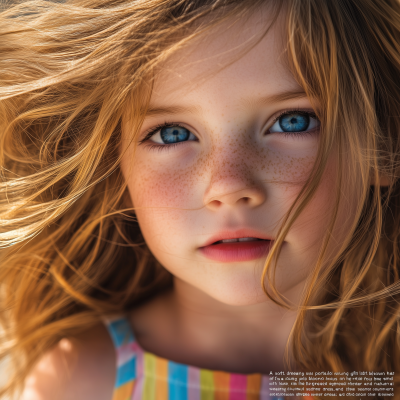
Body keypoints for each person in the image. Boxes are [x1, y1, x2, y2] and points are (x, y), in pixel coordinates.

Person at [0, 0, 399, 399]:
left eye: (292, 122)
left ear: (382, 145)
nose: (227, 186)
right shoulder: (82, 380)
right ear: (116, 170)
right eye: (172, 133)